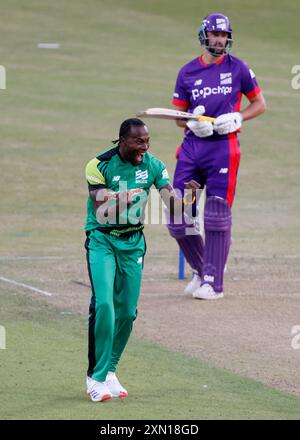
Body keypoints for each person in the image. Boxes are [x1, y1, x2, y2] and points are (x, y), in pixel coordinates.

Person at [84, 118, 198, 402]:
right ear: (122, 140)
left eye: (147, 142)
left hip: (133, 244)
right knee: (105, 305)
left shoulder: (154, 166)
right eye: (138, 142)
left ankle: (110, 371)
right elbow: (101, 209)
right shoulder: (98, 165)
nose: (144, 148)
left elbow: (171, 206)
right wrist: (123, 197)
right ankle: (95, 378)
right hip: (102, 240)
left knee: (128, 313)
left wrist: (189, 199)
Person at [167, 12, 266, 300]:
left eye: (224, 35)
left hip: (224, 148)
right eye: (215, 34)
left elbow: (259, 103)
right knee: (176, 213)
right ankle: (201, 269)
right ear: (205, 36)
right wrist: (191, 122)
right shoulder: (187, 72)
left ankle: (214, 282)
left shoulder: (239, 68)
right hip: (192, 148)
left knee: (216, 215)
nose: (220, 40)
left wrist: (239, 117)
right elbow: (178, 116)